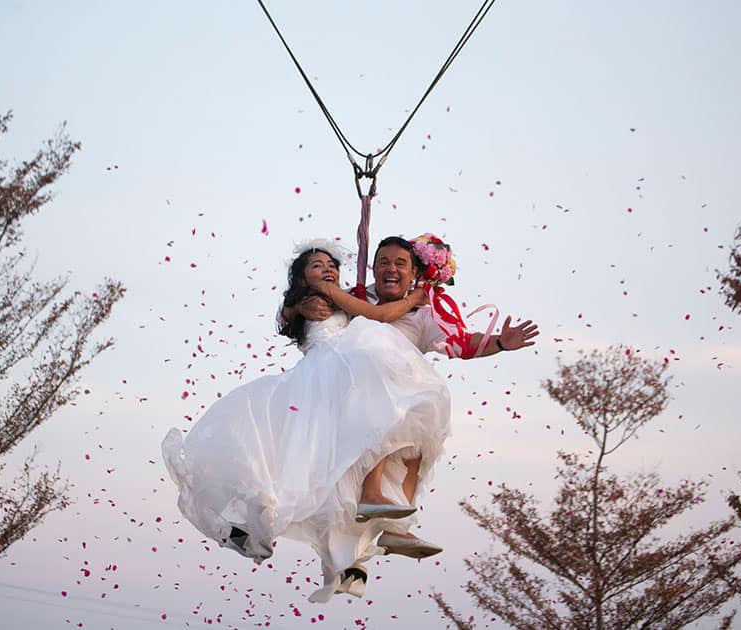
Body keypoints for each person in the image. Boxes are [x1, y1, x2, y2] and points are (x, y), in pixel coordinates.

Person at [163, 240, 448, 603]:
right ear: (301, 277)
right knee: (306, 470)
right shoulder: (318, 297)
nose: (328, 270)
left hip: (342, 380)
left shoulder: (335, 295)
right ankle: (294, 538)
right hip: (327, 375)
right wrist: (411, 301)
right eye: (317, 265)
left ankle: (352, 559)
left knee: (340, 473)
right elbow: (366, 317)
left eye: (331, 265)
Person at [289, 235, 538, 579]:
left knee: (423, 436)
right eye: (383, 263)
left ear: (415, 273)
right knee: (382, 416)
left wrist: (498, 342)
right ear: (373, 268)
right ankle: (366, 506)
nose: (391, 269)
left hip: (399, 396)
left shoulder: (423, 312)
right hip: (353, 396)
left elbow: (463, 342)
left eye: (400, 264)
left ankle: (396, 526)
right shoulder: (356, 298)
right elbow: (309, 304)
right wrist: (298, 307)